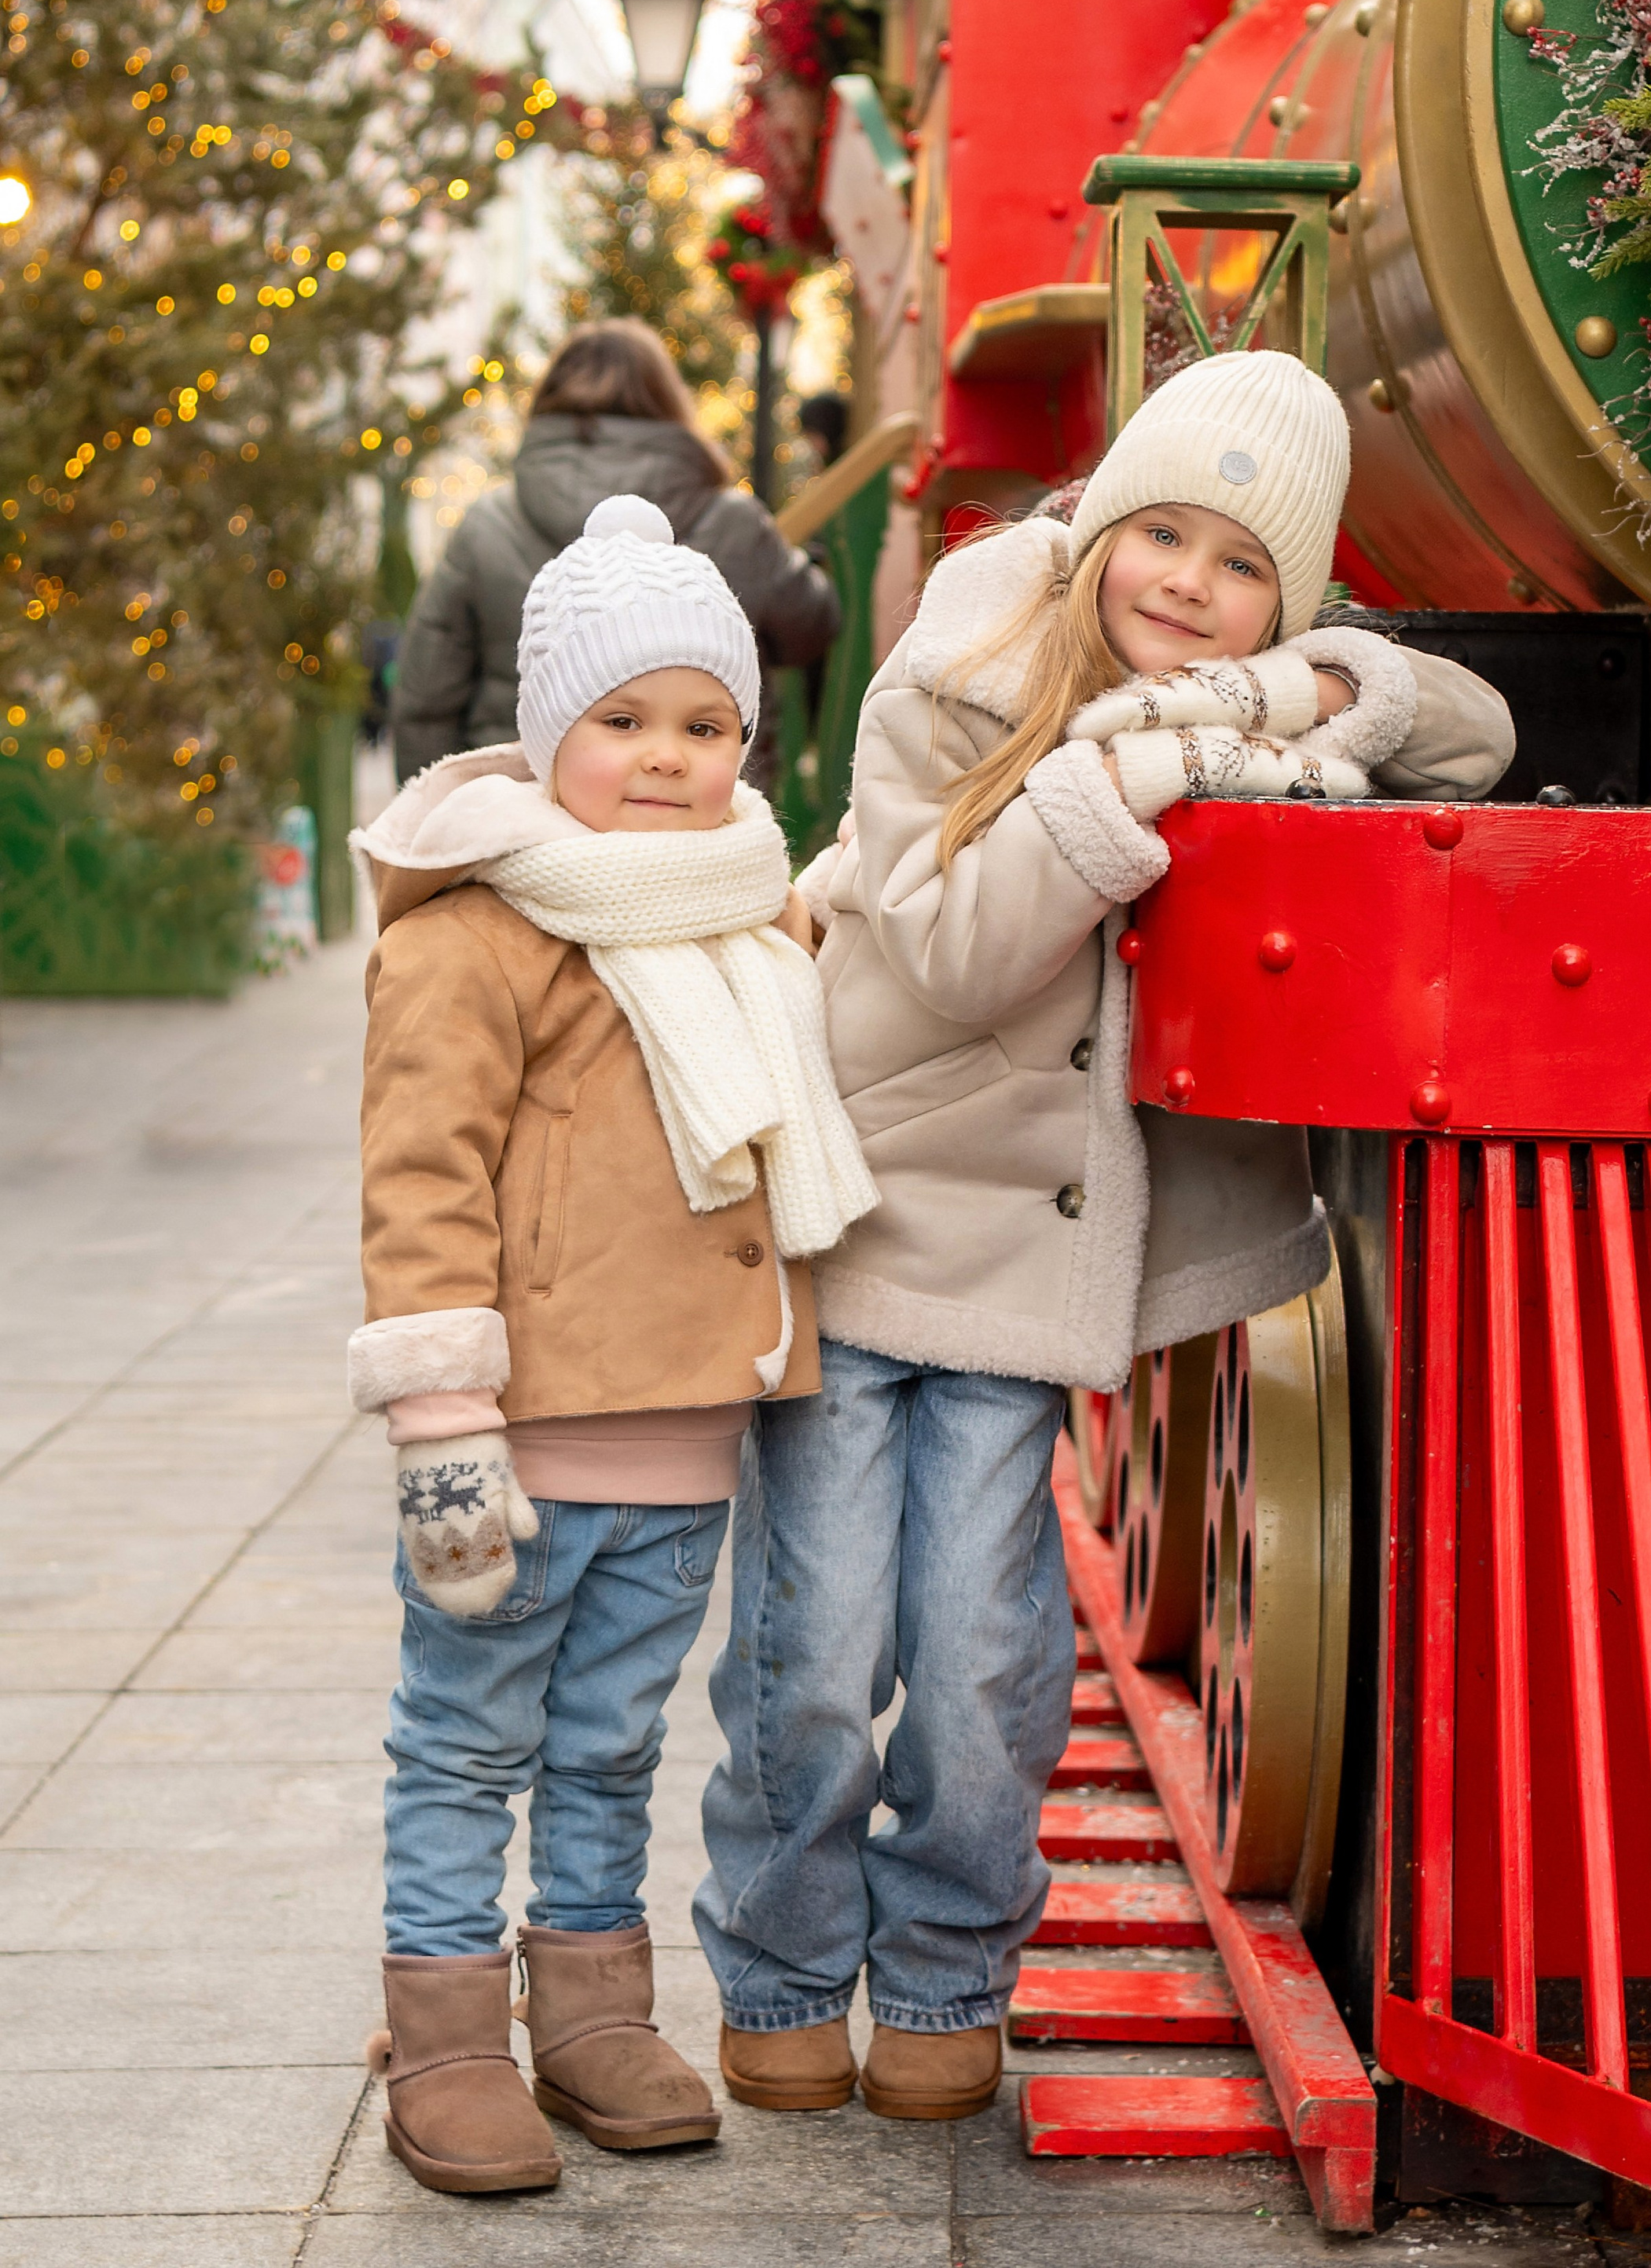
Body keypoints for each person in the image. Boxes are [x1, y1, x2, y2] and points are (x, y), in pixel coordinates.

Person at [695, 350, 1515, 2122]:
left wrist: (1307, 678)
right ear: (1093, 532)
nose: (1181, 582)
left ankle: (940, 1977)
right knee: (821, 1645)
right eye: (1155, 529)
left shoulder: (1240, 690)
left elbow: (1475, 729)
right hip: (861, 1216)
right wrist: (1121, 782)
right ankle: (776, 1964)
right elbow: (953, 956)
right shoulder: (965, 672)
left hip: (1028, 1276)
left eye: (1235, 565)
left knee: (986, 1662)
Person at [347, 493, 878, 2197]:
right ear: (548, 728)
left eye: (706, 722)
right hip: (510, 1438)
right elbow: (421, 1176)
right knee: (465, 1733)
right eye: (624, 719)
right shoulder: (475, 932)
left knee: (614, 1739)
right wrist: (441, 1413)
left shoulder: (748, 914)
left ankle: (586, 2007)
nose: (668, 757)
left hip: (683, 1431)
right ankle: (441, 2027)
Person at [391, 321, 840, 795]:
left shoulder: (486, 525)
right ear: (669, 405)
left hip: (519, 821)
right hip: (700, 822)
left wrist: (439, 822)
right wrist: (802, 564)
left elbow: (427, 699)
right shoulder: (735, 522)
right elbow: (812, 627)